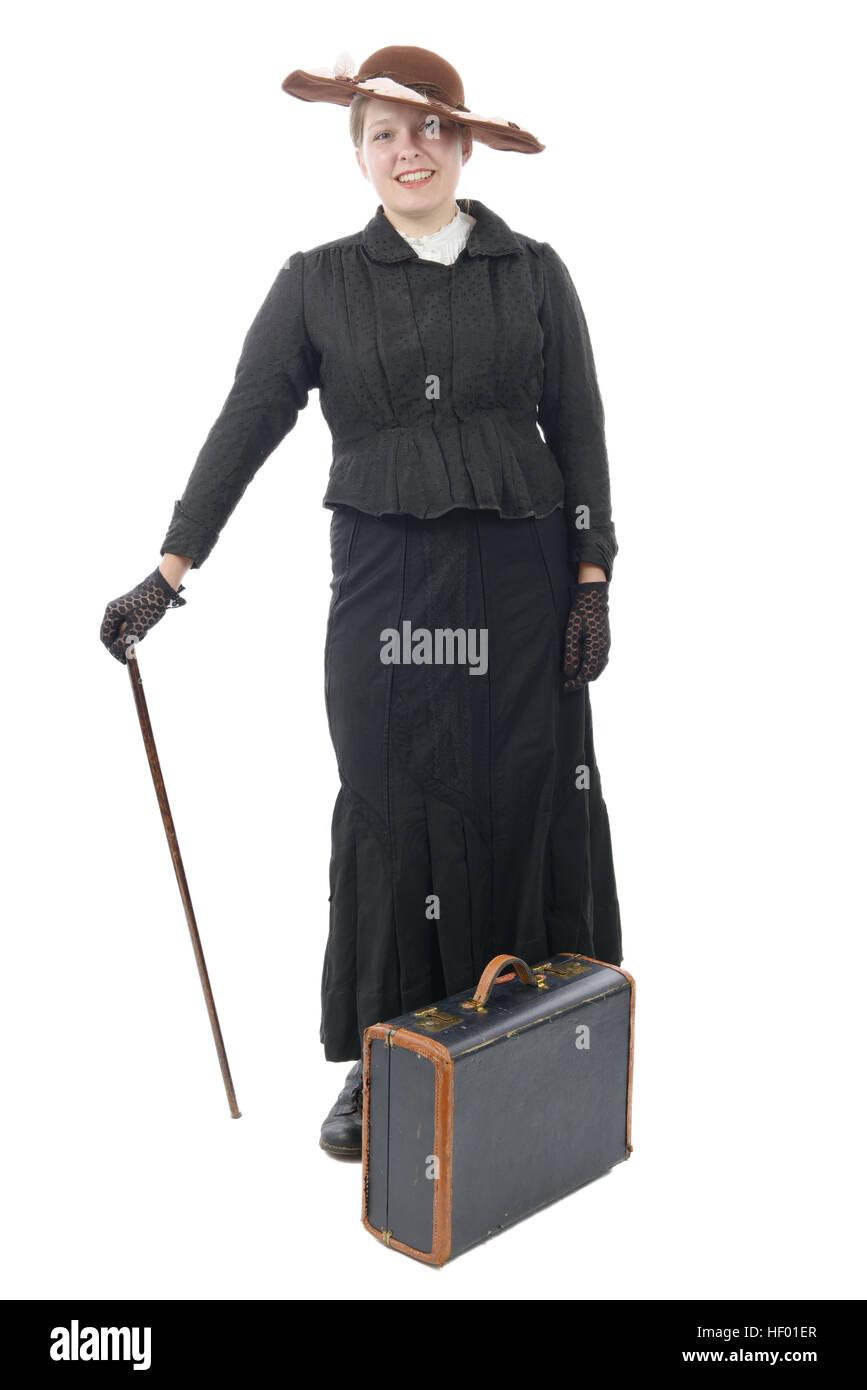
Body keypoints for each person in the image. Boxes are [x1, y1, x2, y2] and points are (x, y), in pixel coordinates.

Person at [100, 46, 622, 1161]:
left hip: (525, 589)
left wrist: (593, 579)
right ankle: (384, 1057)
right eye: (384, 133)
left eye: (430, 130)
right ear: (360, 154)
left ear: (464, 144)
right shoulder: (317, 281)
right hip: (385, 590)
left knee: (524, 789)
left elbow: (579, 428)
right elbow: (247, 422)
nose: (408, 151)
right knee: (390, 807)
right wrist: (168, 573)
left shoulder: (533, 272)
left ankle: (532, 1025)